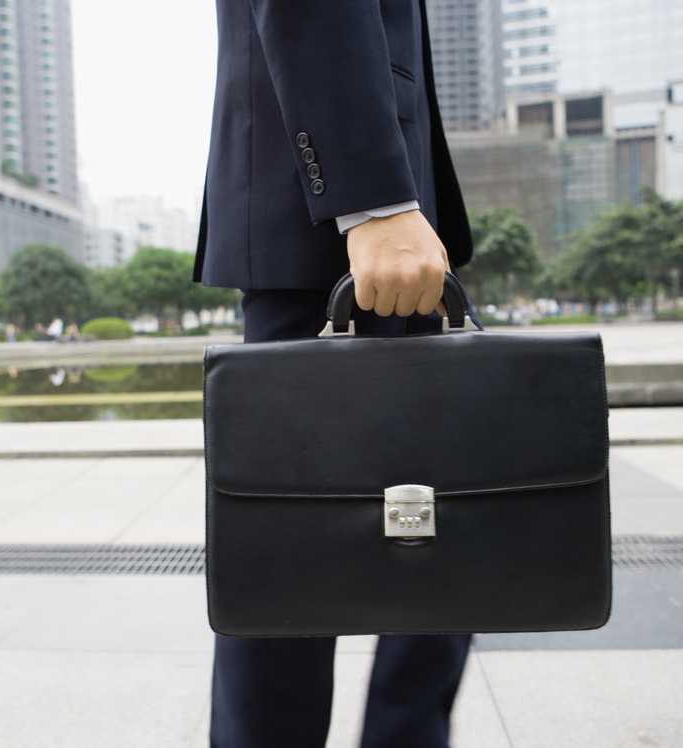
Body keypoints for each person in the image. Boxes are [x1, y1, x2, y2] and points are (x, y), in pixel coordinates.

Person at [191, 2, 477, 746]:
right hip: (333, 223)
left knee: (450, 537)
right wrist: (371, 201)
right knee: (291, 570)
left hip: (356, 213)